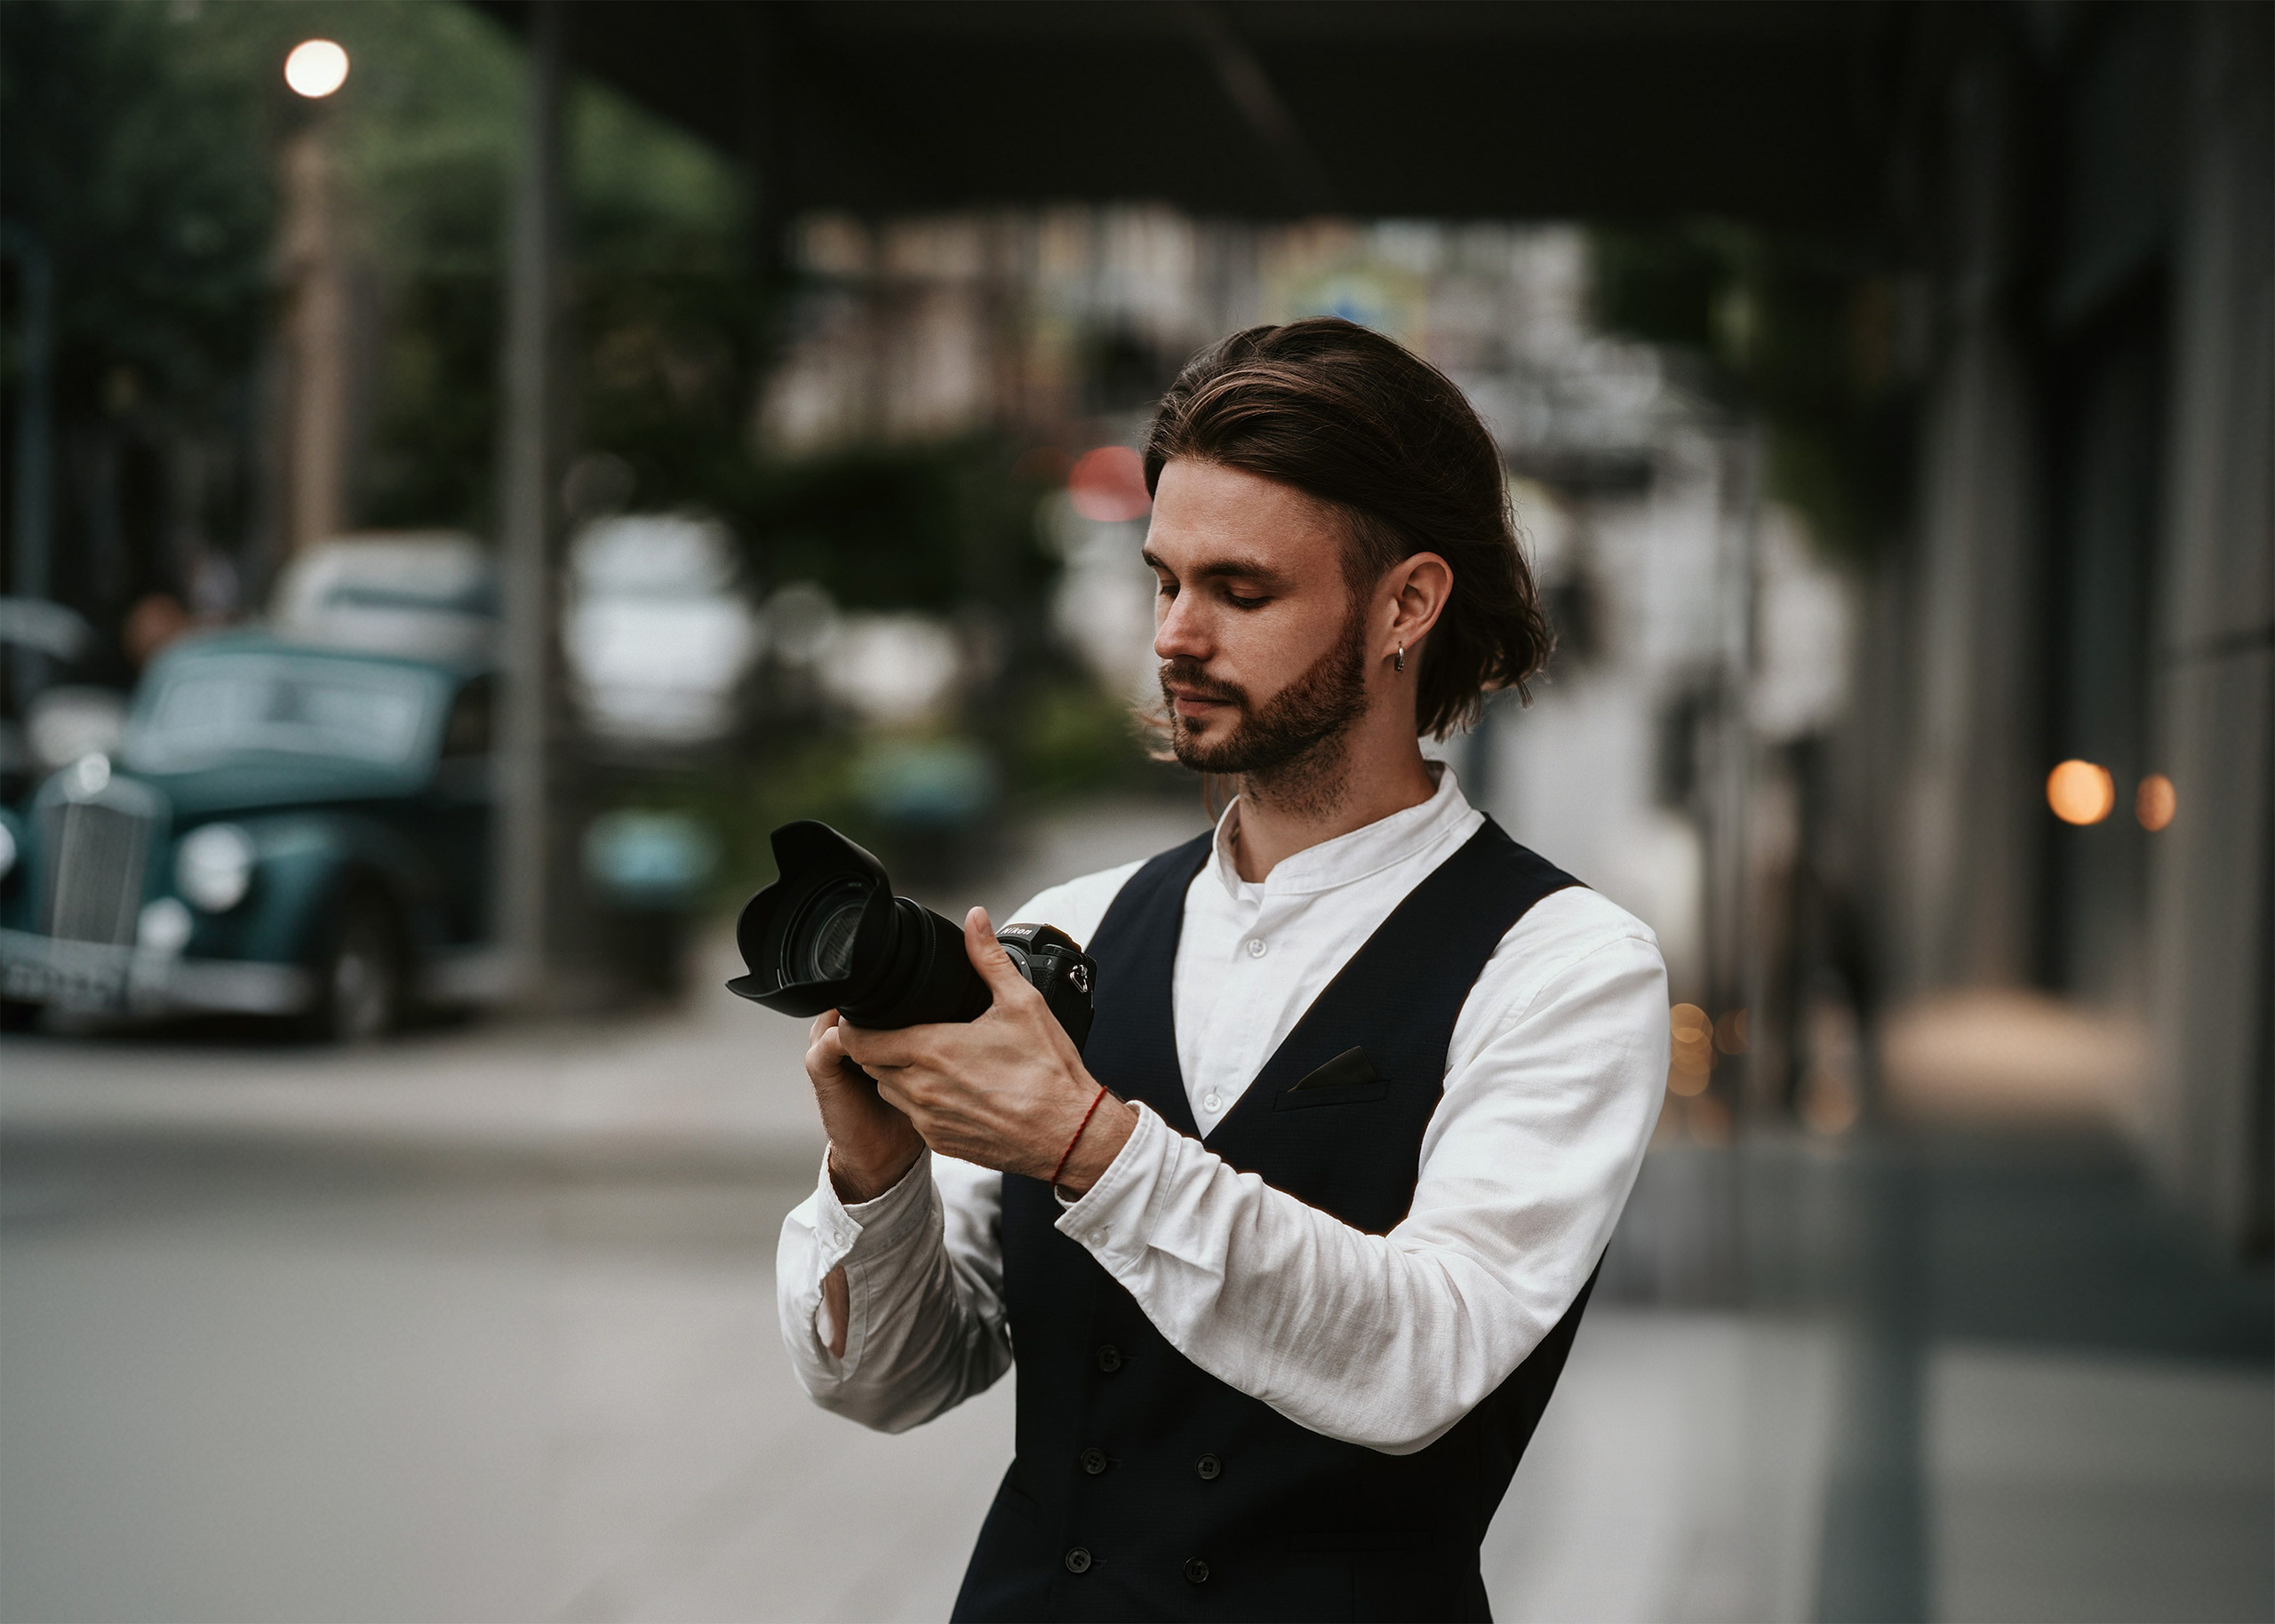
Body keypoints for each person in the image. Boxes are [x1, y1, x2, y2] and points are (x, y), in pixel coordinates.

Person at [777, 318, 1670, 1621]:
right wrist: (880, 1173)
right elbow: (893, 1382)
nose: (1175, 639)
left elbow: (1429, 1355)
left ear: (1407, 605)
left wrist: (1089, 1146)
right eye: (1163, 582)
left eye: (1240, 593)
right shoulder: (1073, 930)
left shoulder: (1565, 968)